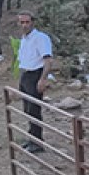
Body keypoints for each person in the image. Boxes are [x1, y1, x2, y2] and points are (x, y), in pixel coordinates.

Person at [15, 11, 54, 153]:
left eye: (27, 22)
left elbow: (48, 60)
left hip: (35, 74)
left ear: (33, 22)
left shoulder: (41, 38)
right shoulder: (25, 39)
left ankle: (38, 142)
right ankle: (32, 138)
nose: (24, 25)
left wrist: (43, 79)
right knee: (27, 109)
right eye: (22, 22)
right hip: (25, 74)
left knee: (34, 109)